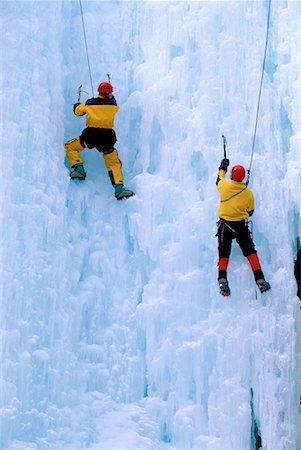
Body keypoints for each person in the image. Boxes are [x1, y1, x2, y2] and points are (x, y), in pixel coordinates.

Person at [65, 81, 135, 200]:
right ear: (109, 93)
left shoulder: (89, 103)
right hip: (107, 137)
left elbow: (77, 112)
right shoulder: (113, 106)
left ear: (99, 92)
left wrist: (77, 105)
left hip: (91, 136)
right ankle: (119, 188)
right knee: (113, 163)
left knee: (70, 147)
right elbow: (113, 101)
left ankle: (79, 169)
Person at [216, 158, 271, 296]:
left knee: (223, 253)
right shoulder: (248, 193)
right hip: (240, 227)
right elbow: (250, 212)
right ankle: (260, 280)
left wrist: (223, 166)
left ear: (232, 176)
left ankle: (222, 281)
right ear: (243, 177)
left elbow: (219, 178)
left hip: (225, 226)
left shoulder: (224, 186)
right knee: (251, 251)